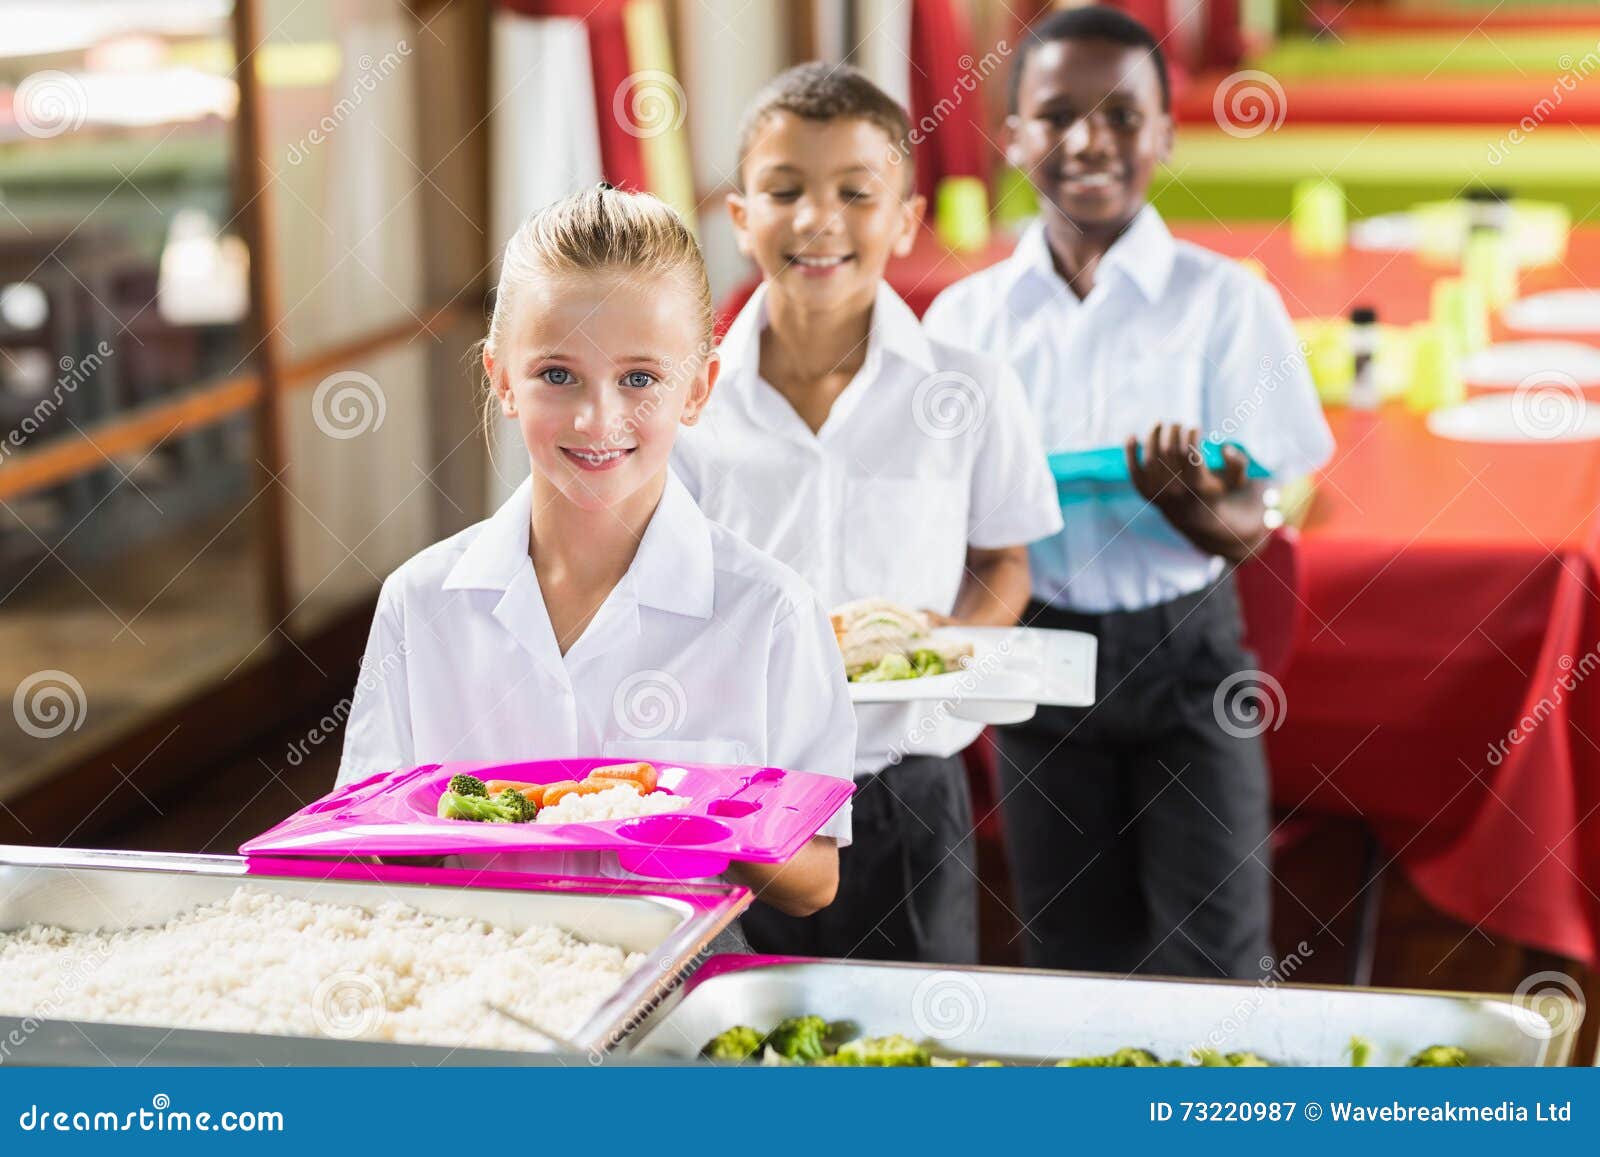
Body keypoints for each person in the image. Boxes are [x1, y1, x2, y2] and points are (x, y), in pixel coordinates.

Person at [924, 6, 1334, 979]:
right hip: (1037, 654)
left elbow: (1262, 516)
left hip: (1189, 658)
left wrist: (1201, 513)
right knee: (1070, 957)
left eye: (1119, 115)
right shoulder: (964, 318)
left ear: (1164, 131)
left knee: (1220, 961)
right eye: (1056, 115)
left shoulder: (1228, 299)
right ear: (1013, 133)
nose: (1087, 140)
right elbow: (935, 509)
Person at [337, 185, 855, 922]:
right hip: (469, 976)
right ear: (502, 380)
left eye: (639, 379)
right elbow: (363, 845)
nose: (596, 417)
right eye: (557, 375)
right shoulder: (422, 600)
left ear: (698, 389)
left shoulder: (769, 609)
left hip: (680, 972)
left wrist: (690, 811)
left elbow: (816, 877)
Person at [673, 64, 1062, 964]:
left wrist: (957, 645)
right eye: (785, 191)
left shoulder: (970, 388)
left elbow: (1005, 561)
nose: (818, 219)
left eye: (856, 192)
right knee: (736, 1045)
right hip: (736, 791)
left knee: (915, 1063)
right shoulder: (688, 402)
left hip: (905, 788)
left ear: (905, 219)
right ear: (739, 216)